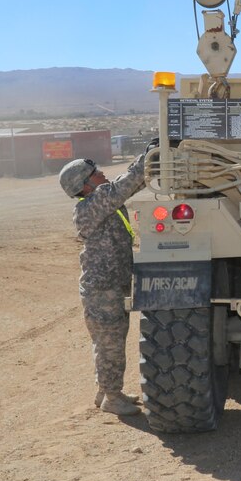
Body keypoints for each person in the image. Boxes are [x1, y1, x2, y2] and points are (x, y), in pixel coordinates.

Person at [59, 144, 154, 416]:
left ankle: (106, 391)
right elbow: (122, 188)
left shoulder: (98, 202)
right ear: (85, 185)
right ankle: (112, 398)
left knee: (108, 342)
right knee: (110, 343)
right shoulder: (91, 206)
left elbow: (131, 186)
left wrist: (147, 163)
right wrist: (147, 156)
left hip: (109, 286)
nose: (102, 174)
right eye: (96, 173)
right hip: (103, 290)